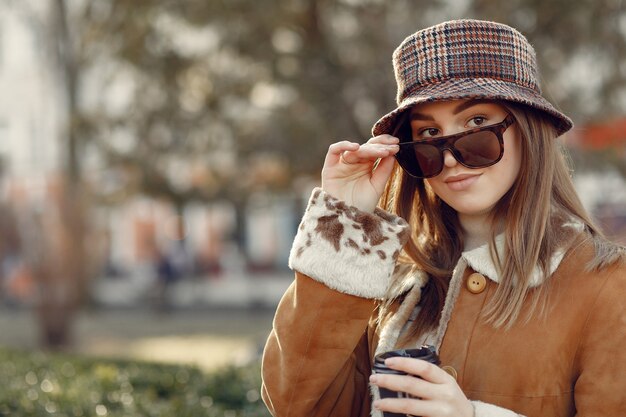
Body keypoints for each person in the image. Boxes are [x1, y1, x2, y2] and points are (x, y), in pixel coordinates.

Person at [261, 19, 626, 417]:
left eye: (477, 124)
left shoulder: (607, 285)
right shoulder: (392, 277)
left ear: (527, 130)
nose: (450, 157)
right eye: (430, 134)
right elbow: (297, 405)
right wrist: (344, 222)